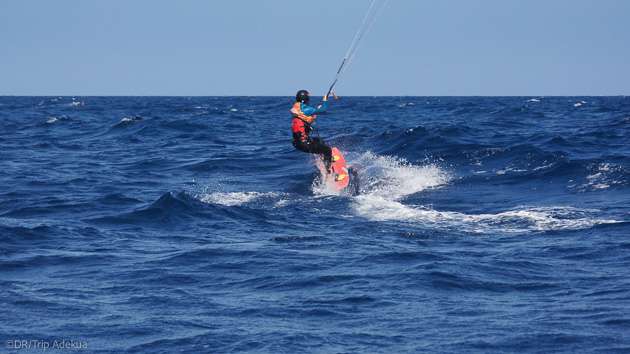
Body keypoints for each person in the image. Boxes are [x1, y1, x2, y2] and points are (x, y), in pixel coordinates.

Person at [291, 90, 335, 174]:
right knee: (328, 150)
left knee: (320, 141)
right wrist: (324, 100)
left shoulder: (297, 108)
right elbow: (324, 109)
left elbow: (306, 118)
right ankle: (328, 172)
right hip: (304, 144)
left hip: (297, 142)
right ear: (307, 99)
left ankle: (324, 159)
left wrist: (315, 112)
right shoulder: (306, 109)